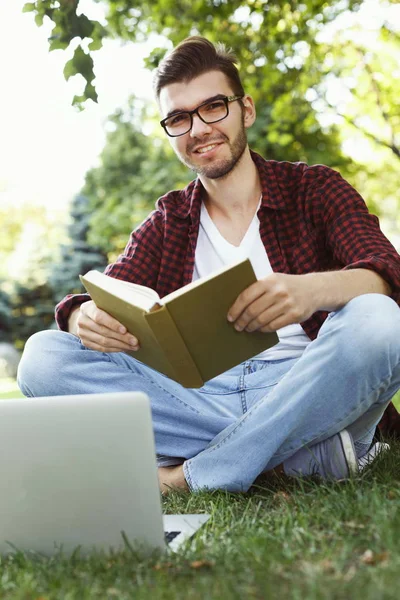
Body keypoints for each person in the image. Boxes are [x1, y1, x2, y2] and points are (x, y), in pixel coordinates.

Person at [18, 36, 400, 494]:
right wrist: (84, 317)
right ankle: (303, 455)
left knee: (380, 320)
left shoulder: (315, 187)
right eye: (180, 118)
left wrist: (309, 292)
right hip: (200, 399)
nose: (199, 129)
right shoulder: (168, 220)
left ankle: (189, 475)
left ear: (246, 110)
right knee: (43, 356)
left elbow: (385, 271)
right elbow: (110, 293)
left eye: (213, 107)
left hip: (304, 385)